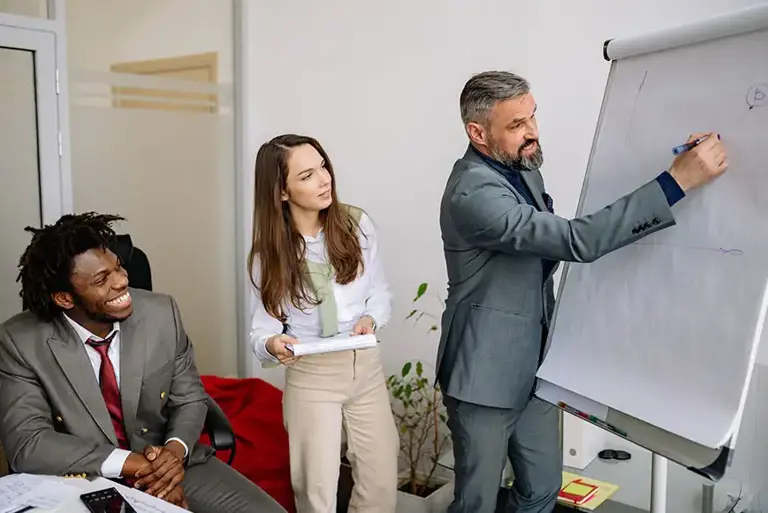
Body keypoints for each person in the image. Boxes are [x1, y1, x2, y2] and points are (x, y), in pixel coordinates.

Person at [436, 71, 728, 513]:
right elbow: (575, 241)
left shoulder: (521, 166)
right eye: (516, 125)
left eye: (532, 117)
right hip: (482, 375)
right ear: (478, 133)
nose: (532, 132)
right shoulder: (472, 192)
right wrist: (675, 183)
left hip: (534, 367)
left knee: (542, 489)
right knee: (475, 502)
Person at [0, 212, 285, 513]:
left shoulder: (162, 313)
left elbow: (189, 398)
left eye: (118, 267)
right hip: (83, 475)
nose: (122, 281)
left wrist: (174, 454)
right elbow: (28, 442)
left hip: (169, 462)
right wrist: (135, 466)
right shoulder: (20, 341)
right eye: (101, 279)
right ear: (64, 298)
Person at [248, 134, 398, 512]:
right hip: (312, 373)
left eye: (324, 167)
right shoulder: (271, 253)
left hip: (363, 365)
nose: (324, 179)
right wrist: (271, 345)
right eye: (308, 175)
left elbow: (379, 291)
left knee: (380, 482)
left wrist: (370, 317)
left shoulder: (357, 225)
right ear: (282, 192)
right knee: (316, 492)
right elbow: (261, 328)